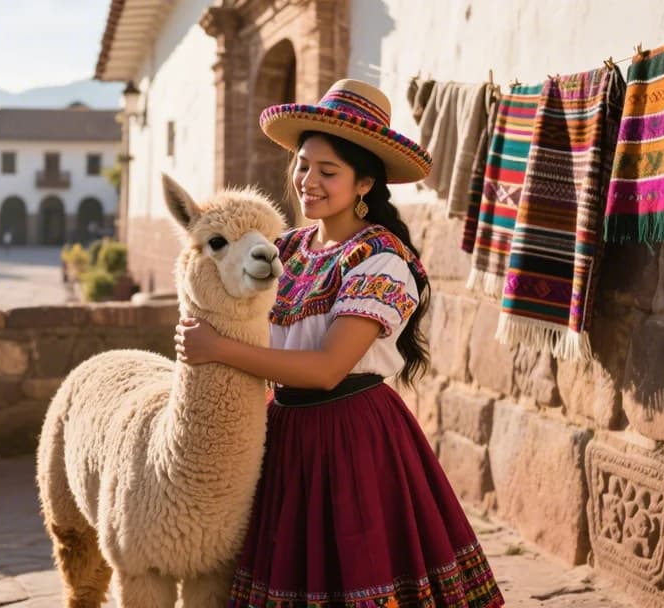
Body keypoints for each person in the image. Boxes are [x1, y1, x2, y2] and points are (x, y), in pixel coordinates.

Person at [174, 80, 504, 607]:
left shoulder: (381, 261)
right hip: (282, 433)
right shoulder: (286, 248)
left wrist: (218, 349)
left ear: (365, 182)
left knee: (356, 570)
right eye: (303, 165)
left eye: (328, 172)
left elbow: (329, 367)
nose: (308, 182)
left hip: (350, 438)